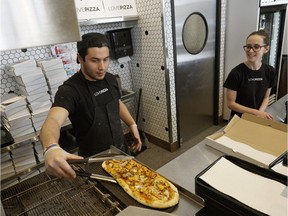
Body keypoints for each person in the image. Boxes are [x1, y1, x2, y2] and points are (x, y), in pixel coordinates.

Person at [40, 32, 142, 179]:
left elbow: (116, 103)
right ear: (80, 58)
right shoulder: (70, 90)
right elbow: (53, 121)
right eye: (95, 60)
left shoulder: (111, 79)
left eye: (106, 60)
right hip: (93, 161)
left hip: (121, 151)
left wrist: (132, 125)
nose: (102, 67)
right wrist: (51, 148)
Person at [223, 30, 277, 120]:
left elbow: (266, 97)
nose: (250, 51)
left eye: (256, 47)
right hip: (238, 119)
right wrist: (256, 113)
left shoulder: (270, 71)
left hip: (258, 117)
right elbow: (231, 104)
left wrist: (259, 113)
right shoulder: (236, 73)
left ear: (266, 49)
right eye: (248, 47)